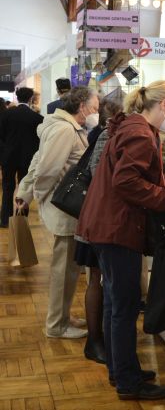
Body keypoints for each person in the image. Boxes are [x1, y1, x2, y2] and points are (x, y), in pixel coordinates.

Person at [76, 81, 165, 401]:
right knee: (123, 305)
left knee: (115, 302)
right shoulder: (139, 133)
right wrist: (164, 199)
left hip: (108, 224)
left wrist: (159, 187)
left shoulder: (132, 127)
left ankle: (120, 368)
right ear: (163, 105)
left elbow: (126, 176)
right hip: (117, 227)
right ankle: (128, 381)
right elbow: (126, 180)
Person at [33, 86, 99, 339]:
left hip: (67, 209)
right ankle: (56, 325)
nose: (96, 112)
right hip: (64, 209)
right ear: (82, 107)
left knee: (69, 269)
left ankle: (63, 315)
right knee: (63, 270)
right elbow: (47, 168)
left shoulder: (70, 128)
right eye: (94, 108)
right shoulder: (64, 129)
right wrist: (41, 196)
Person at [74, 97, 123, 364]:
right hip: (98, 220)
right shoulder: (106, 135)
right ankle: (95, 341)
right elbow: (101, 175)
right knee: (96, 279)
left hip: (96, 218)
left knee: (98, 279)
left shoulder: (100, 134)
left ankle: (99, 340)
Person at [0, 87, 43, 227]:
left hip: (8, 157)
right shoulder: (37, 118)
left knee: (7, 187)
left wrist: (3, 154)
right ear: (31, 99)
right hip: (27, 159)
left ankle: (5, 220)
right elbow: (39, 140)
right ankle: (22, 220)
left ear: (17, 98)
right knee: (25, 188)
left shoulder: (6, 115)